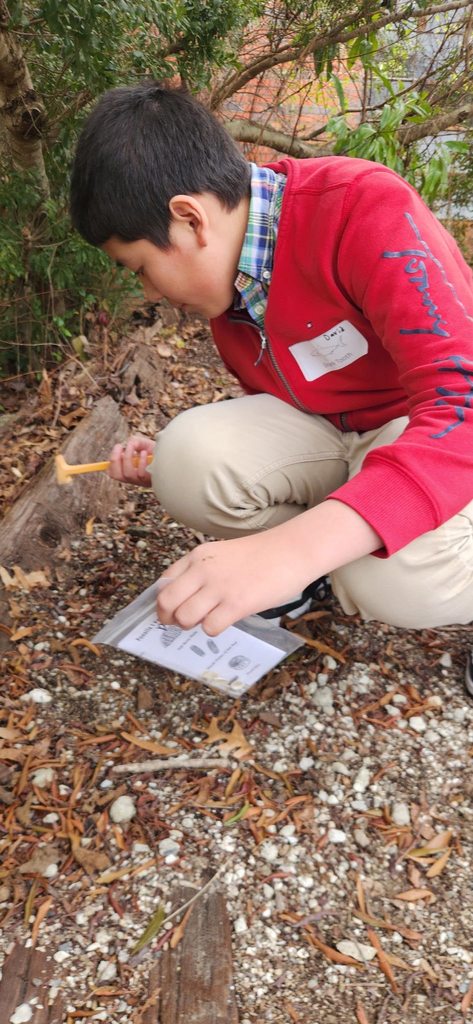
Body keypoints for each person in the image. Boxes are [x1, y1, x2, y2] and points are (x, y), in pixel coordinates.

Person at [70, 82, 473, 640]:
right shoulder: (227, 281)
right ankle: (328, 565)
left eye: (138, 267)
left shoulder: (362, 207)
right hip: (336, 432)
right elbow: (294, 392)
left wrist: (289, 551)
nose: (151, 292)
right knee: (188, 460)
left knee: (393, 581)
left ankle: (343, 560)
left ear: (189, 218)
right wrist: (172, 461)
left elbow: (463, 405)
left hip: (421, 429)